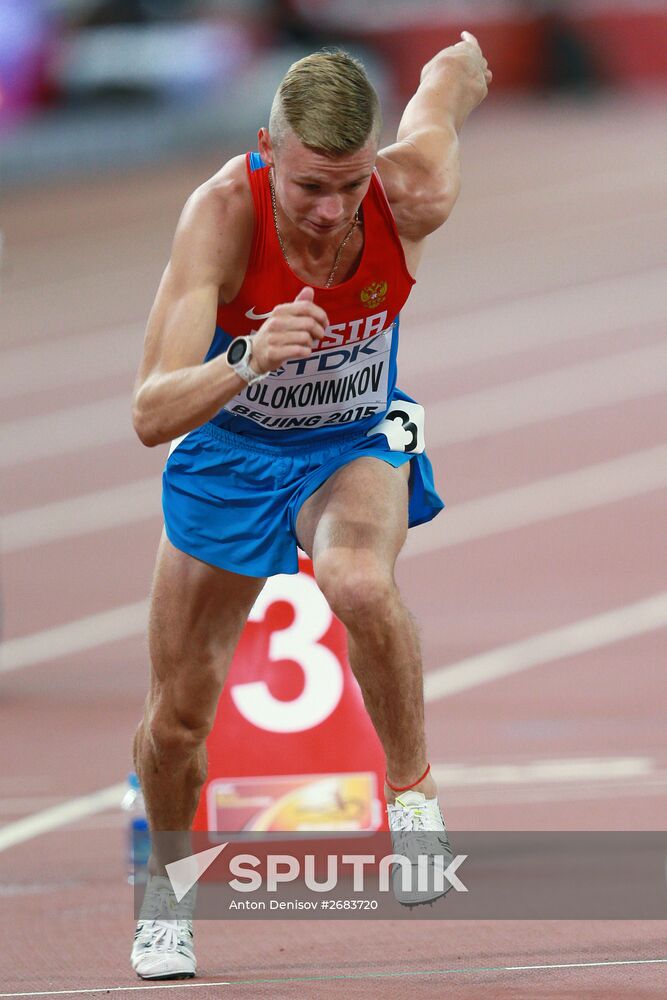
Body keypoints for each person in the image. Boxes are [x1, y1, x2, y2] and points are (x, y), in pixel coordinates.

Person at [129, 32, 491, 980]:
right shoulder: (219, 216)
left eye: (349, 184)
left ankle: (411, 801)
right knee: (177, 720)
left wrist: (457, 63)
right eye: (309, 188)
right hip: (231, 451)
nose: (332, 212)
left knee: (357, 581)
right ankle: (166, 898)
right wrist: (245, 355)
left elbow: (439, 103)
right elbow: (149, 411)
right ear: (266, 151)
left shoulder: (409, 193)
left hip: (353, 442)